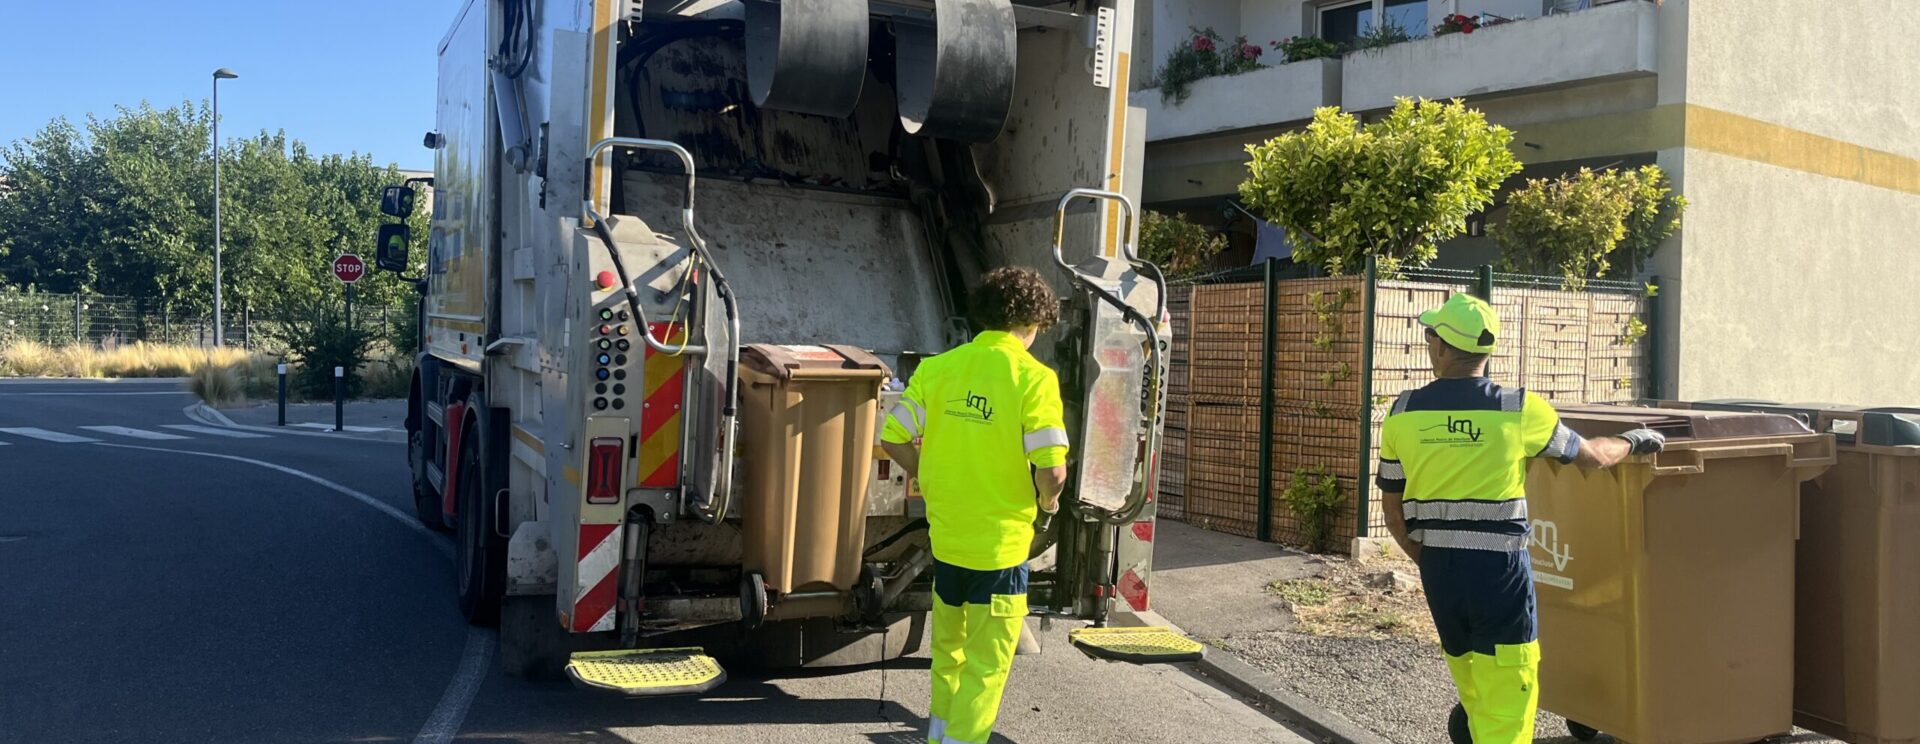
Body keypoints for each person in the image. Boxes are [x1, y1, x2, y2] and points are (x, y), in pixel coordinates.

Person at [1377, 293, 1664, 744]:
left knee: (1470, 673)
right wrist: (1632, 440)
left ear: (1442, 348)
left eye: (1431, 335)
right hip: (1499, 573)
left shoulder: (1403, 412)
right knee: (1510, 687)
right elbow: (1589, 457)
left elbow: (1392, 515)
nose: (1430, 343)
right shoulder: (1518, 409)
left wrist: (1430, 558)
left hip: (1439, 570)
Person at [879, 266, 1070, 744]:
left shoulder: (937, 369)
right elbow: (1052, 470)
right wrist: (1048, 505)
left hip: (949, 540)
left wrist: (932, 471)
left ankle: (939, 737)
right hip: (1001, 548)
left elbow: (893, 435)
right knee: (987, 665)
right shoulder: (1034, 378)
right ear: (1030, 323)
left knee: (949, 653)